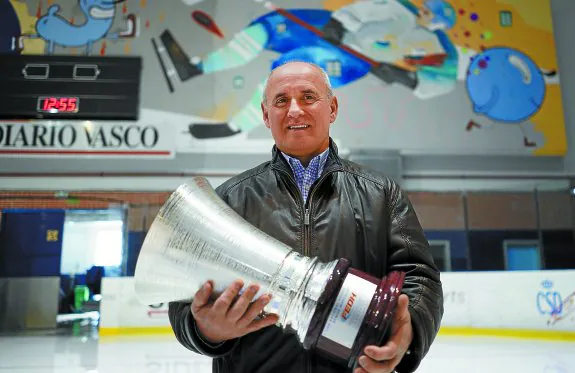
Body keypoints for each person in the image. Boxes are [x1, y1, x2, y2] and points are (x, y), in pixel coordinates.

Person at [168, 61, 444, 373]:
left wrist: (408, 334)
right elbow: (183, 297)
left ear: (333, 108)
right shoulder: (228, 200)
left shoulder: (382, 194)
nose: (295, 110)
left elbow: (419, 277)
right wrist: (206, 330)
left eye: (308, 97)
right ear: (265, 115)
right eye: (281, 101)